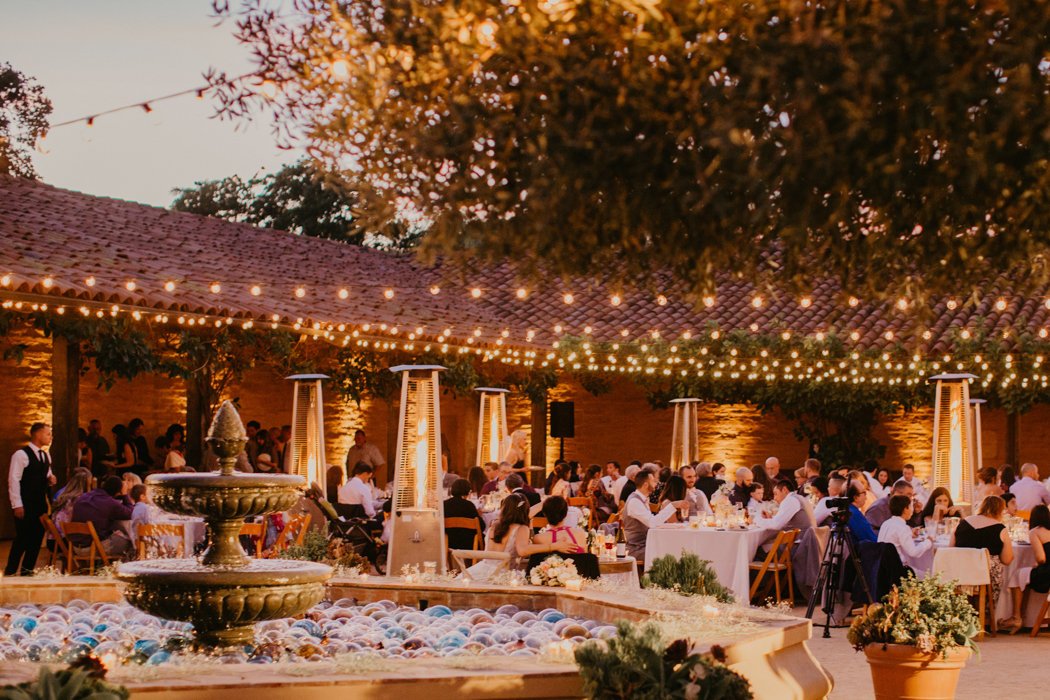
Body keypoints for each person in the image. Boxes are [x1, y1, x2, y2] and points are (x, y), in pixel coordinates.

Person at [467, 494, 575, 578]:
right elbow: (522, 550)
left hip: (480, 570)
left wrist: (543, 503)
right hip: (503, 576)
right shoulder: (521, 528)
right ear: (525, 510)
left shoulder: (495, 525)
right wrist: (554, 546)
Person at [5, 423, 56, 576]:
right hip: (25, 503)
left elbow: (46, 474)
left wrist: (51, 478)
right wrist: (17, 505)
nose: (50, 437)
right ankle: (10, 571)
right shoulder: (21, 455)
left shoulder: (46, 455)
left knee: (36, 538)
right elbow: (13, 480)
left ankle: (27, 571)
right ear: (37, 434)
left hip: (39, 504)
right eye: (48, 434)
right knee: (22, 538)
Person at [952, 495, 1014, 623]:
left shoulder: (962, 523)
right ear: (999, 510)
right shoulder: (1000, 528)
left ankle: (966, 615)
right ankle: (986, 617)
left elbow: (951, 549)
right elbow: (1007, 559)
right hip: (985, 577)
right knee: (997, 567)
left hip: (960, 575)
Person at [621, 468, 688, 563]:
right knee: (670, 555)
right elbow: (652, 523)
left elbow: (653, 522)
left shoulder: (642, 499)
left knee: (677, 550)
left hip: (645, 544)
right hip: (635, 548)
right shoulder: (634, 502)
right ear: (645, 485)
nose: (656, 484)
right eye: (653, 481)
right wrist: (673, 505)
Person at [1001, 505, 1050, 633]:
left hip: (1048, 572)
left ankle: (1017, 617)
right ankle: (1023, 616)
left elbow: (1041, 558)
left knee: (1019, 574)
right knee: (1025, 575)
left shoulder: (1035, 531)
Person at [70, 475, 134, 557]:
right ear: (118, 492)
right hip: (93, 548)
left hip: (76, 548)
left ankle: (102, 566)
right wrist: (125, 495)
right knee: (131, 542)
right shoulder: (109, 503)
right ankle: (116, 568)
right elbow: (131, 513)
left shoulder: (83, 497)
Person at [877, 494, 934, 576]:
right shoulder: (903, 527)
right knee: (930, 576)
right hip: (899, 570)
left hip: (883, 568)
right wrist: (928, 542)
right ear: (905, 509)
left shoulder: (886, 523)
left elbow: (894, 536)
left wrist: (910, 532)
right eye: (911, 506)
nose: (912, 509)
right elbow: (913, 552)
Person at [443, 478, 486, 550]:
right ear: (467, 491)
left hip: (449, 543)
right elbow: (482, 526)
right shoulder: (469, 505)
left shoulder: (444, 504)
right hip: (469, 544)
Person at [52, 468, 94, 536]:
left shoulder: (65, 495)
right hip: (67, 538)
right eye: (90, 484)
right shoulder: (78, 500)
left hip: (56, 537)